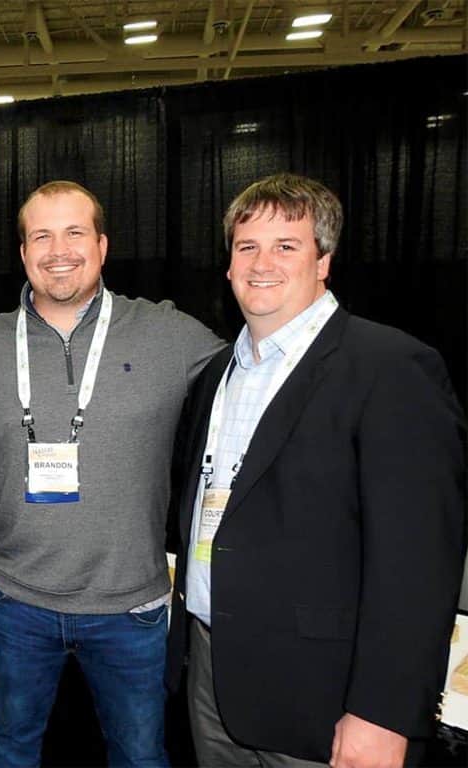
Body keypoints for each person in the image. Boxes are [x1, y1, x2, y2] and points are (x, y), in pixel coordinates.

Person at [166, 173, 466, 767]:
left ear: (324, 261)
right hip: (210, 672)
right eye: (246, 246)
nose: (261, 263)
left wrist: (385, 713)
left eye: (286, 246)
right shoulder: (214, 376)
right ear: (227, 266)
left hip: (323, 699)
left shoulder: (391, 368)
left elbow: (418, 564)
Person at [0, 180, 223, 766]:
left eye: (74, 232)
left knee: (141, 754)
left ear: (102, 246)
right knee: (10, 747)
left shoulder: (169, 335)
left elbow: (255, 386)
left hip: (132, 607)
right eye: (41, 235)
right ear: (22, 253)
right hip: (16, 603)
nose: (58, 249)